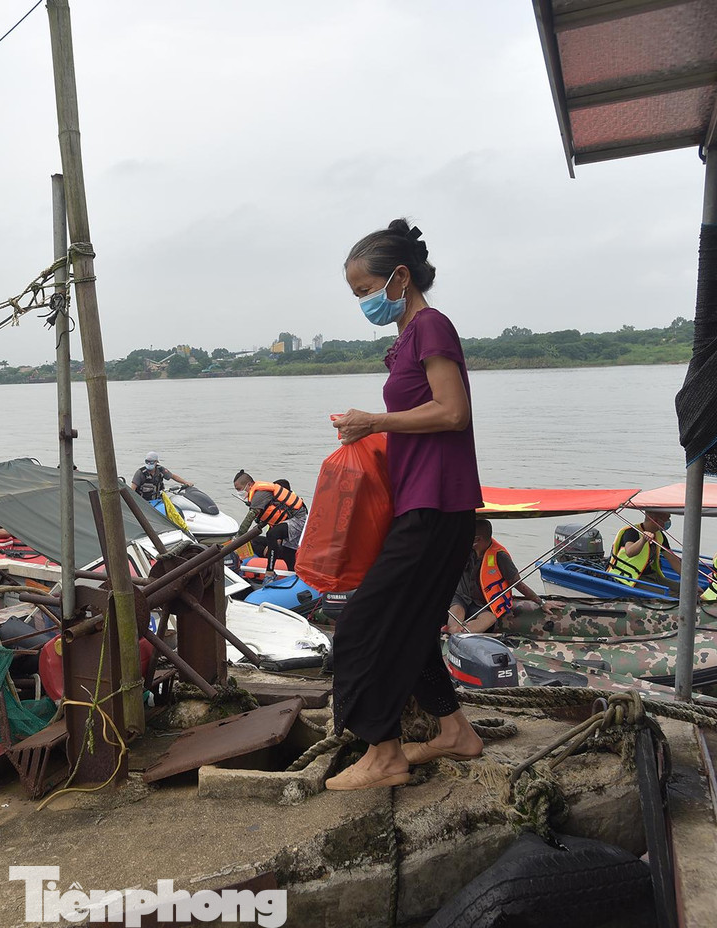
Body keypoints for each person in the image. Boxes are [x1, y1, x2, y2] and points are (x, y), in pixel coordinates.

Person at [326, 219, 486, 791]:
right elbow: (419, 422)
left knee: (362, 624)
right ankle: (454, 731)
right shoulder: (406, 339)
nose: (363, 302)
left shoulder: (432, 326)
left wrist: (376, 419)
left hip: (438, 504)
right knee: (415, 626)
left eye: (365, 289)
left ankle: (384, 752)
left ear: (399, 277)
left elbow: (452, 412)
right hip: (419, 501)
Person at [447, 519, 553, 634]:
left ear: (477, 540)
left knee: (489, 618)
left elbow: (517, 583)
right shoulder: (462, 548)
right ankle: (454, 630)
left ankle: (464, 633)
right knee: (455, 619)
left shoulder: (499, 555)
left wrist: (542, 603)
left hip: (482, 604)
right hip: (461, 598)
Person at [232, 471, 307, 571]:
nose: (238, 492)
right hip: (288, 527)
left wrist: (237, 538)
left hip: (299, 520)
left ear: (249, 485)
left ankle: (270, 572)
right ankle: (293, 574)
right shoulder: (261, 496)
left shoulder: (259, 495)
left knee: (272, 534)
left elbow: (249, 518)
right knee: (287, 552)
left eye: (238, 489)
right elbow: (264, 521)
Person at [608, 510, 681, 587]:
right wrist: (643, 540)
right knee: (672, 595)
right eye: (667, 518)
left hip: (650, 574)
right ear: (655, 520)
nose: (669, 521)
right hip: (630, 578)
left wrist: (688, 578)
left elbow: (672, 559)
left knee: (685, 590)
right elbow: (629, 552)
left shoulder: (660, 535)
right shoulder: (632, 531)